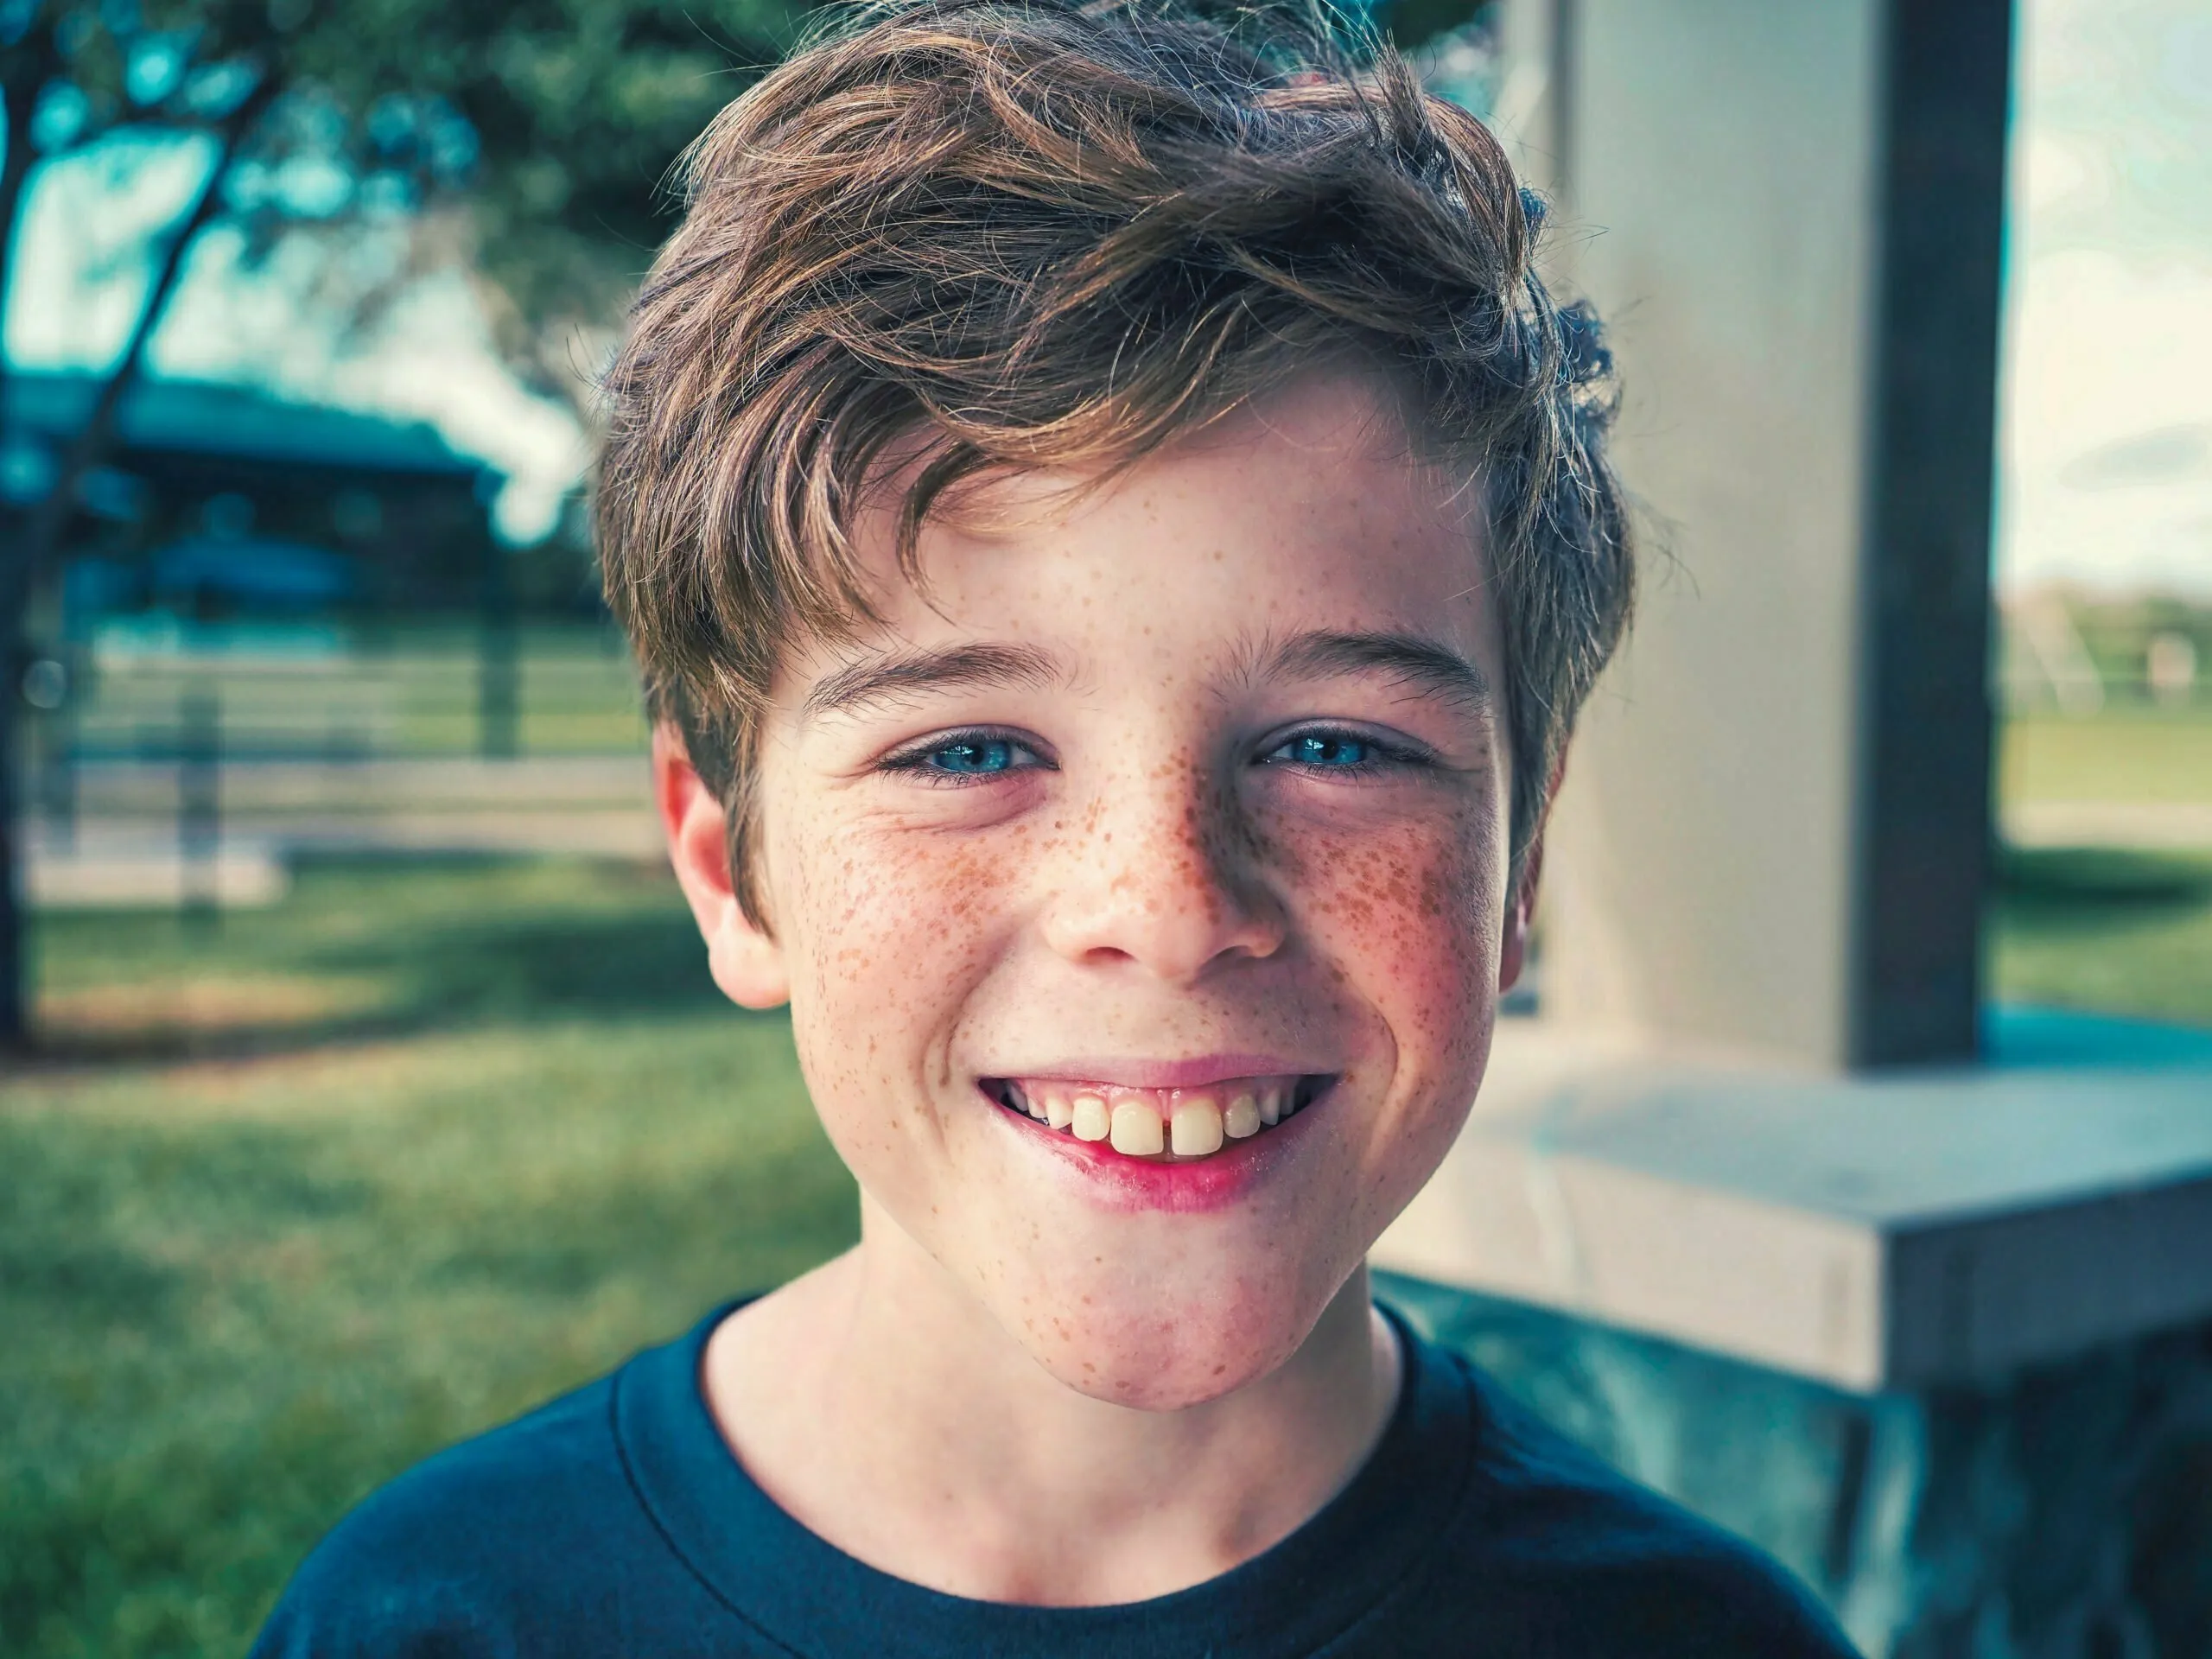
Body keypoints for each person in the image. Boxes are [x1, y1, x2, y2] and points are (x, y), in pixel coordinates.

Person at [253, 2, 1860, 1653]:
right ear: (731, 870)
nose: (1166, 906)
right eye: (967, 751)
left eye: (1331, 744)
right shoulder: (429, 1621)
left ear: (1519, 866)